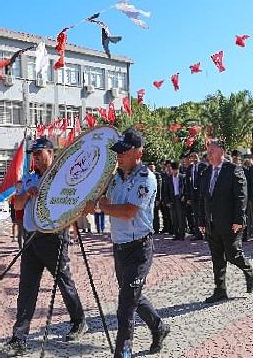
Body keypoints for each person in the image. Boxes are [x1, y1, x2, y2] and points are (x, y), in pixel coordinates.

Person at [83, 128, 171, 357]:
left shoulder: (146, 178)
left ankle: (123, 352)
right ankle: (159, 328)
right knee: (132, 296)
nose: (119, 155)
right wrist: (94, 202)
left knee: (125, 307)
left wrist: (101, 207)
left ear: (137, 152)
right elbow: (105, 200)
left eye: (123, 151)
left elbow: (129, 211)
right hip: (119, 246)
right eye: (118, 151)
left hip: (139, 247)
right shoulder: (114, 179)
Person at [0, 138, 87, 356]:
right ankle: (19, 338)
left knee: (64, 282)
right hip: (31, 239)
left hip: (54, 237)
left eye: (40, 154)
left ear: (51, 153)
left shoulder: (62, 177)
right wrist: (28, 193)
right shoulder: (29, 178)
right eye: (34, 155)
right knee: (27, 289)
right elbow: (17, 204)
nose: (36, 158)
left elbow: (73, 204)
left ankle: (79, 321)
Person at [198, 140, 253, 303]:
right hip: (212, 224)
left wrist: (239, 219)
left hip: (230, 223)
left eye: (212, 151)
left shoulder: (233, 170)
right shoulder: (206, 172)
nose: (208, 154)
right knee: (217, 258)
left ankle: (247, 270)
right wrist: (202, 221)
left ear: (222, 151)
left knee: (232, 254)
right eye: (208, 151)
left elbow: (241, 197)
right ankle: (220, 290)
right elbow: (204, 199)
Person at [185, 151, 208, 241]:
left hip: (202, 194)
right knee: (196, 215)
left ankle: (206, 234)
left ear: (199, 156)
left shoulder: (204, 166)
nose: (193, 158)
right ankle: (198, 234)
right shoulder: (189, 168)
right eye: (191, 156)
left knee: (204, 214)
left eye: (195, 156)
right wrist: (188, 197)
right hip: (193, 195)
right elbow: (187, 183)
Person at [163, 161, 187, 240]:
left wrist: (185, 196)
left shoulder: (182, 177)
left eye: (177, 170)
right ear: (172, 170)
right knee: (174, 218)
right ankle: (176, 234)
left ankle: (182, 234)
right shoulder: (169, 179)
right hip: (172, 200)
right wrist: (167, 201)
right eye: (174, 170)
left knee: (181, 218)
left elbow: (186, 188)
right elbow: (166, 191)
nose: (175, 172)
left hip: (180, 199)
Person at [147, 162, 163, 234]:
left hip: (155, 198)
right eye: (149, 167)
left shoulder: (157, 175)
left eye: (152, 167)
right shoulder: (146, 175)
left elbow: (159, 188)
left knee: (155, 214)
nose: (151, 168)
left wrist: (158, 199)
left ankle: (156, 229)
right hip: (147, 199)